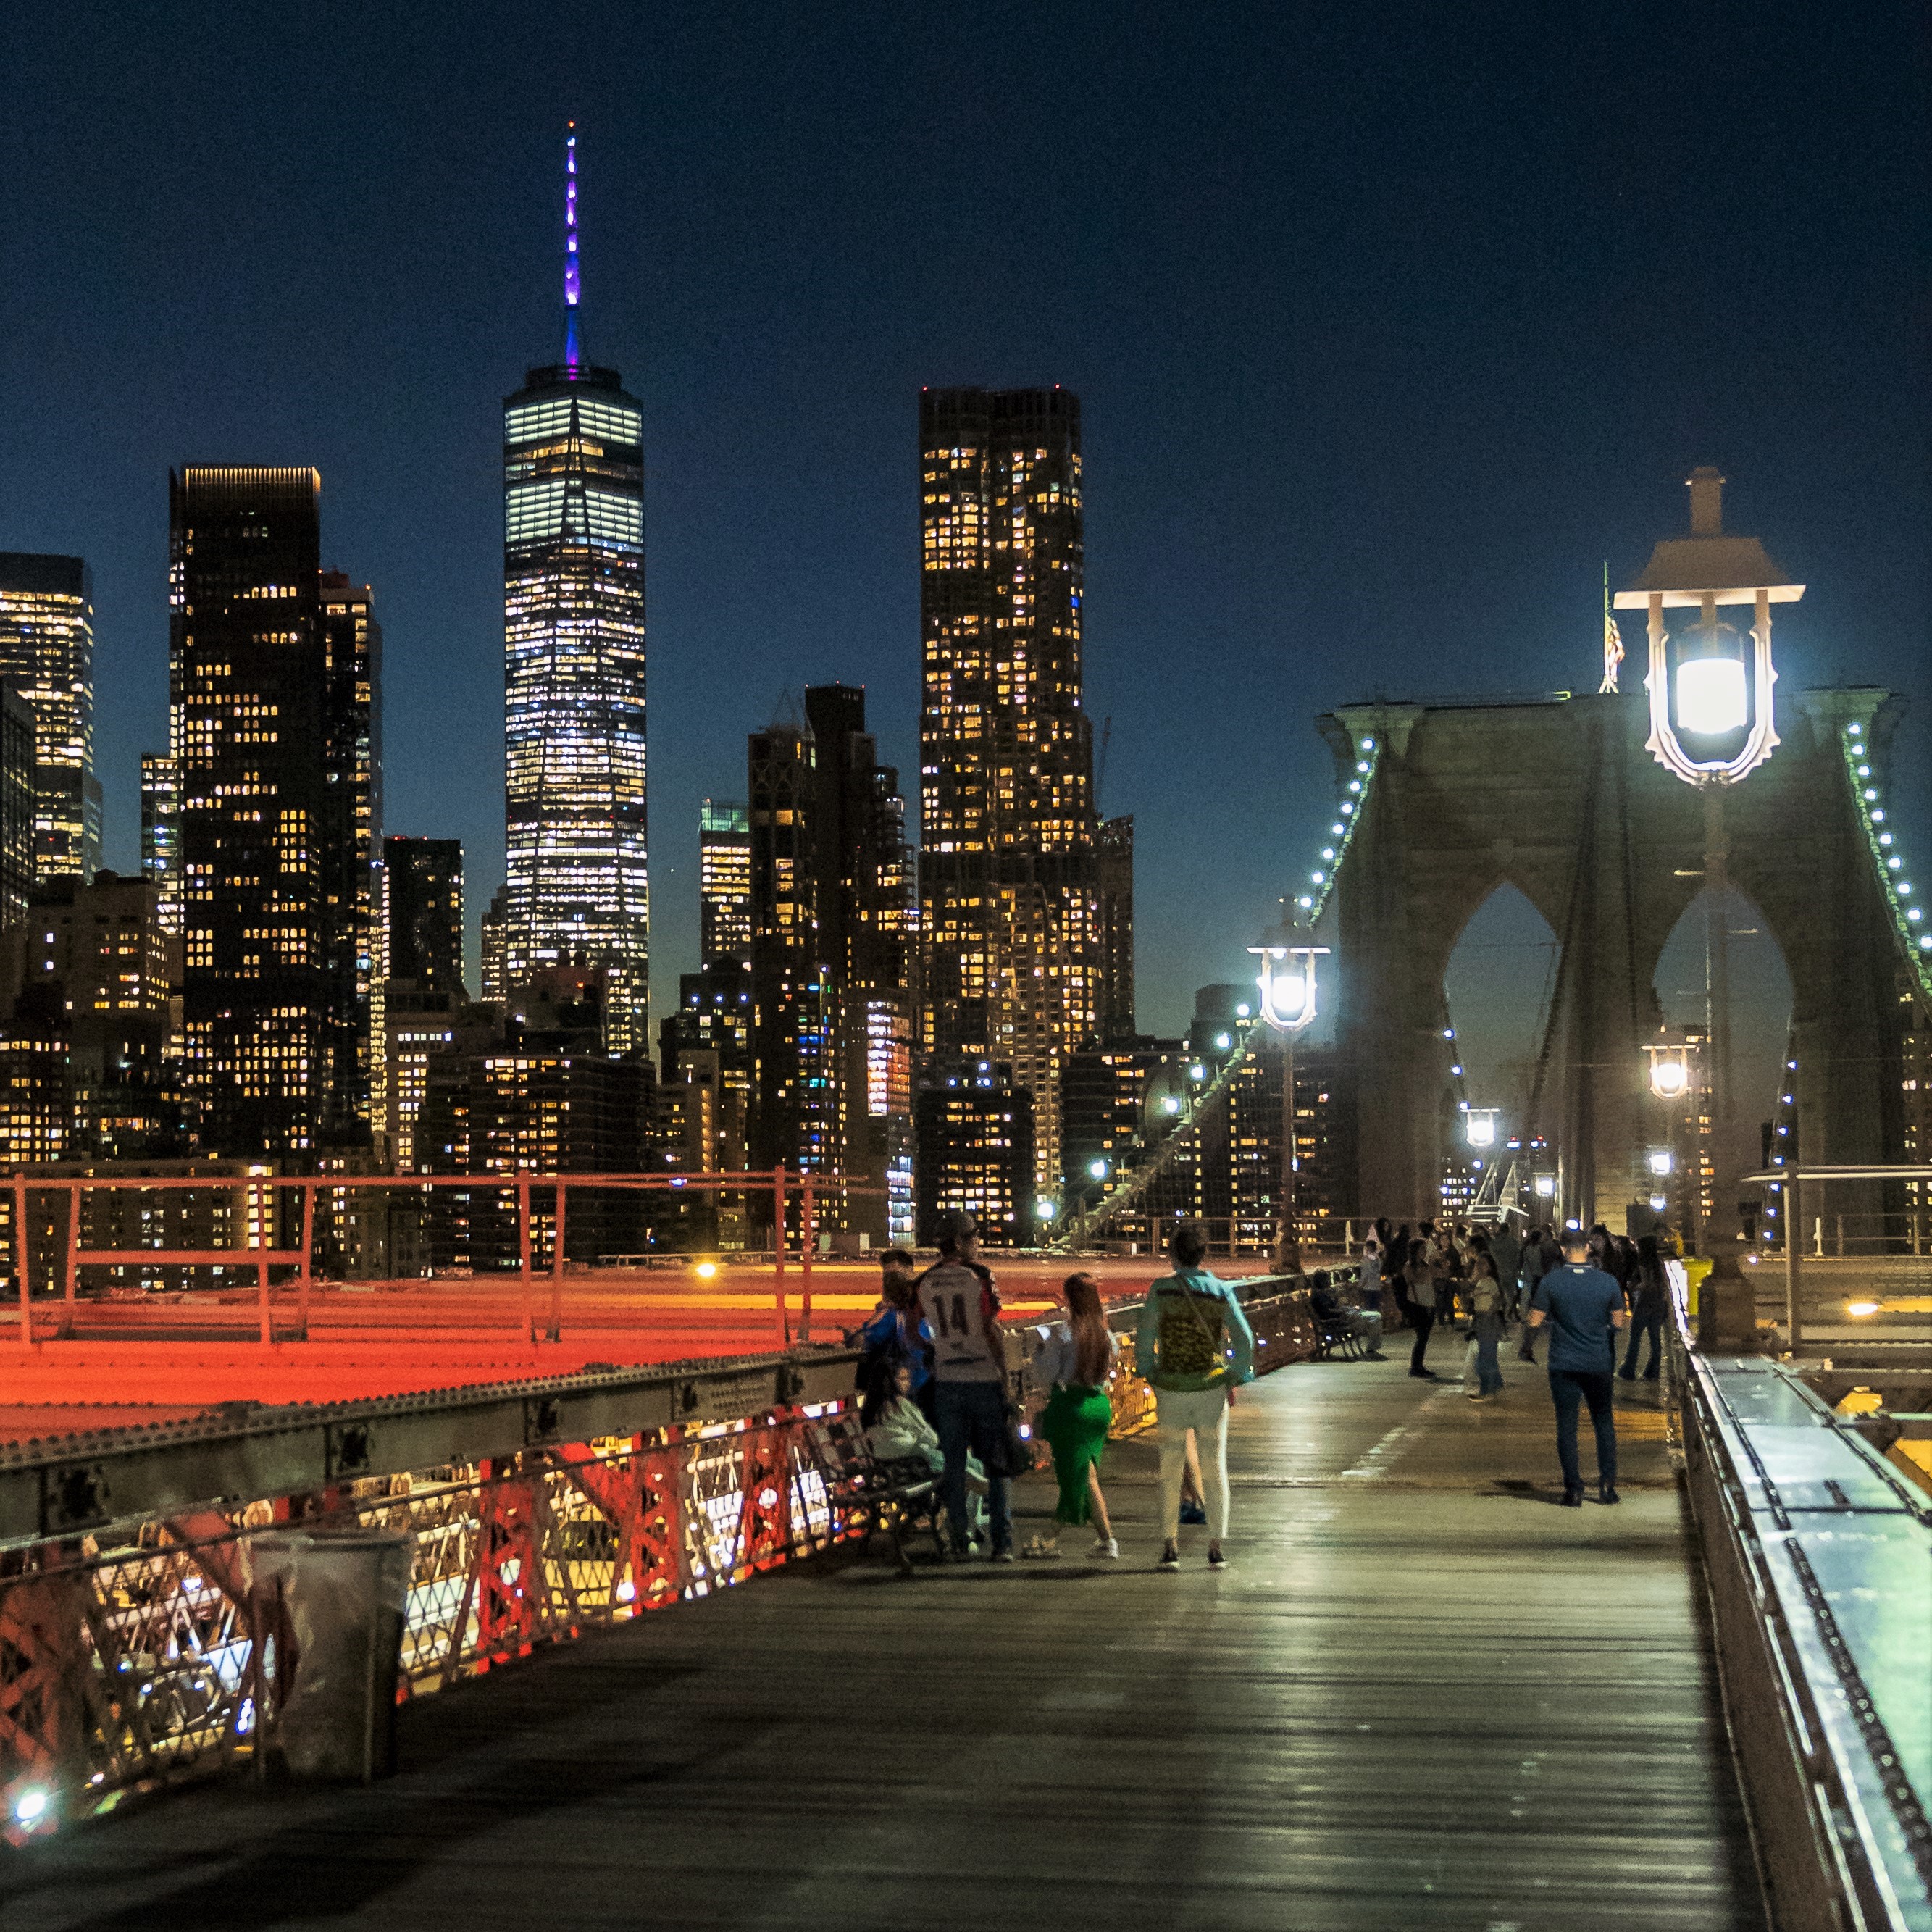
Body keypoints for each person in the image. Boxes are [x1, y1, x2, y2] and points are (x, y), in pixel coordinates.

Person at [1135, 1221, 1256, 1569]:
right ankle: (1216, 1546)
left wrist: (1151, 1370)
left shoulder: (1161, 1290)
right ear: (1203, 1254)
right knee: (1214, 1467)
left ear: (1173, 1255)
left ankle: (1170, 1547)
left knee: (1169, 1467)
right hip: (1210, 1390)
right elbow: (1244, 1339)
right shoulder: (1220, 1290)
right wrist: (1237, 1374)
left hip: (1171, 1388)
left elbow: (1145, 1340)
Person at [914, 1210, 1015, 1560]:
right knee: (996, 1463)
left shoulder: (924, 1281)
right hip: (983, 1378)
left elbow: (915, 1329)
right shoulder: (979, 1277)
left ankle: (959, 1539)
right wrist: (1004, 1375)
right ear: (959, 1242)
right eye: (973, 1236)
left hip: (947, 1381)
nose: (978, 1242)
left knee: (954, 1465)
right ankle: (1002, 1543)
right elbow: (991, 1328)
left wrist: (936, 1350)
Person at [1529, 1226, 1628, 1505]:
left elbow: (1534, 1321)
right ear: (1587, 1248)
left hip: (1563, 1362)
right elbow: (1618, 1323)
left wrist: (1529, 1344)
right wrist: (1601, 1330)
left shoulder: (1551, 1282)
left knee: (1567, 1426)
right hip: (1598, 1362)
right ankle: (1607, 1487)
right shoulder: (1607, 1282)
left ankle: (1574, 1490)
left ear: (1562, 1249)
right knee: (1603, 1423)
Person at [1028, 1271, 1120, 1559]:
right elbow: (1111, 1363)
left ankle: (1051, 1536)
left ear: (1070, 1300)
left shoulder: (1063, 1334)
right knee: (1086, 1475)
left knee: (1074, 1479)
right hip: (1098, 1407)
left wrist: (1038, 1353)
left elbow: (1046, 1374)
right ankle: (1105, 1540)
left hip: (1070, 1409)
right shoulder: (1106, 1335)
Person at [1620, 1234, 1669, 1381]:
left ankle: (1629, 1368)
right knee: (1655, 1338)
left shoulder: (1644, 1262)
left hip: (1645, 1301)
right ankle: (1653, 1370)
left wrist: (1635, 1286)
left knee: (1635, 1336)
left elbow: (1647, 1284)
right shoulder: (1660, 1262)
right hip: (1660, 1302)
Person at [1312, 1270, 1384, 1358]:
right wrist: (1343, 1312)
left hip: (1343, 1314)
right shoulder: (1319, 1296)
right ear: (1322, 1281)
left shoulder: (1322, 1293)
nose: (1329, 1282)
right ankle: (1372, 1347)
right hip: (1340, 1319)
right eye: (1327, 1279)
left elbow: (1333, 1307)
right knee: (1374, 1317)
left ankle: (1372, 1346)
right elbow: (1328, 1311)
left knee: (1375, 1316)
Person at [1464, 1253, 1506, 1400]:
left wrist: (1490, 1313)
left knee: (1485, 1358)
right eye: (1477, 1263)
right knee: (1486, 1355)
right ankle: (1492, 1388)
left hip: (1488, 1321)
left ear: (1489, 1267)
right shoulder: (1481, 1282)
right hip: (1482, 1321)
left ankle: (1487, 1390)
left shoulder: (1489, 1282)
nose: (1479, 1266)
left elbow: (1497, 1299)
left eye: (1483, 1264)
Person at [1518, 1226, 1555, 1363]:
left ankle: (1525, 1317)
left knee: (1527, 1298)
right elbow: (1539, 1264)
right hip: (1537, 1277)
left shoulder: (1526, 1248)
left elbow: (1522, 1262)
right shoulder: (1538, 1249)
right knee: (1536, 1300)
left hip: (1529, 1277)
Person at [1403, 1237, 1438, 1378]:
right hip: (1418, 1305)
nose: (1424, 1251)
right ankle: (1415, 1367)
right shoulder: (1409, 1266)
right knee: (1421, 1336)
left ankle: (1419, 1366)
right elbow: (1415, 1280)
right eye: (1422, 1249)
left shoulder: (1425, 1265)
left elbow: (1437, 1276)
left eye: (1425, 1249)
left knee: (1424, 1337)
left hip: (1429, 1303)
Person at [1489, 1221, 1523, 1323]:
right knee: (1511, 1294)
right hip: (1511, 1272)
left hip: (1498, 1272)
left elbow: (1492, 1257)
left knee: (1499, 1295)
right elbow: (1518, 1257)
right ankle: (1506, 1314)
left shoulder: (1494, 1243)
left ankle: (1499, 1315)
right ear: (1509, 1230)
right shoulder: (1513, 1242)